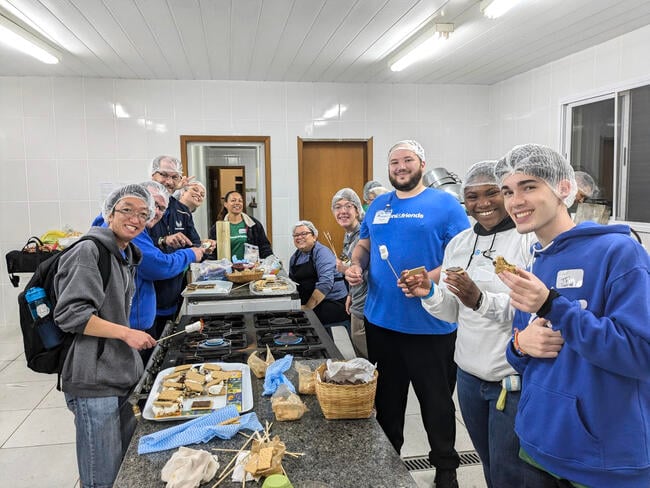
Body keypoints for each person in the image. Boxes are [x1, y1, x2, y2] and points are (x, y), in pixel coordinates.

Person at [495, 144, 650, 488]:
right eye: (508, 191)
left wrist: (553, 306)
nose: (515, 201)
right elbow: (526, 355)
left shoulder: (620, 253)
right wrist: (520, 345)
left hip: (603, 460)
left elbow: (641, 354)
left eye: (529, 187)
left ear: (564, 188)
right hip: (538, 444)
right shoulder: (535, 261)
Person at [399, 160, 536, 487]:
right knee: (489, 463)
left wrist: (480, 299)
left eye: (493, 193)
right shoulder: (459, 244)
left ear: (507, 194)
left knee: (511, 473)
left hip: (511, 380)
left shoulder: (527, 241)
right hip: (469, 377)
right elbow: (451, 311)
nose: (483, 203)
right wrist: (429, 292)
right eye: (473, 196)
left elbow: (529, 309)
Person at [345, 140, 470, 488]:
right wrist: (355, 265)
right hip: (382, 322)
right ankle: (388, 462)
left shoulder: (445, 205)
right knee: (387, 402)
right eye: (394, 161)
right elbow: (365, 244)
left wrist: (427, 278)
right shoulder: (378, 205)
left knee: (437, 404)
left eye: (407, 160)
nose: (400, 166)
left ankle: (446, 468)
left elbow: (462, 257)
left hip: (431, 325)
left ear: (421, 163)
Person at [54, 184, 158, 488]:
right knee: (102, 474)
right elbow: (71, 314)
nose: (135, 218)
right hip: (92, 378)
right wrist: (126, 334)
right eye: (127, 210)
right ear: (109, 213)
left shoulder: (124, 254)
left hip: (118, 373)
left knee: (121, 468)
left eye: (143, 213)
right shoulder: (89, 251)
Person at [130, 181, 204, 340]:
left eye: (161, 208)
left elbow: (195, 242)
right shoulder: (133, 232)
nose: (154, 212)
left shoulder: (181, 213)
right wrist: (189, 254)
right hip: (130, 325)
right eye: (152, 204)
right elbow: (158, 266)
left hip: (161, 303)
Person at [289, 220, 349, 328]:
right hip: (310, 302)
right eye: (296, 235)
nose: (299, 237)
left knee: (301, 322)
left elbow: (325, 284)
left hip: (331, 302)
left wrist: (307, 309)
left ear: (314, 236)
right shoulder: (295, 257)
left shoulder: (322, 253)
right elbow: (292, 284)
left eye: (304, 234)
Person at [331, 188, 368, 357]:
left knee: (366, 356)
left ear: (357, 210)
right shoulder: (349, 235)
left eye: (348, 206)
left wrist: (344, 269)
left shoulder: (363, 236)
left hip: (365, 306)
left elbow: (365, 271)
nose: (343, 211)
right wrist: (350, 295)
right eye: (338, 207)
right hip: (357, 299)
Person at [208, 190, 273, 260]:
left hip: (250, 269)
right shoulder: (217, 228)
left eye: (240, 201)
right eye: (233, 200)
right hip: (228, 269)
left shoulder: (254, 225)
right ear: (225, 204)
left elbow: (265, 247)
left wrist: (271, 260)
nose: (237, 203)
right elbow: (212, 252)